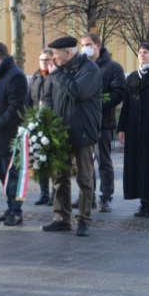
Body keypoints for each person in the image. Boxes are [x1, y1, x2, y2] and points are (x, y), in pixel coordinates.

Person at [42, 36, 102, 237]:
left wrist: (57, 75)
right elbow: (48, 98)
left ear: (68, 53)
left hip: (83, 131)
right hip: (60, 132)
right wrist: (47, 123)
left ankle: (83, 220)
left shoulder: (90, 69)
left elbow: (78, 92)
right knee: (59, 177)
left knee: (85, 179)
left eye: (57, 56)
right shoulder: (58, 71)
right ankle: (61, 217)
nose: (54, 60)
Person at [77, 33, 125, 213]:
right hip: (83, 123)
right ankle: (88, 196)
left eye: (88, 44)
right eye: (82, 44)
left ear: (98, 45)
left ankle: (106, 197)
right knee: (85, 163)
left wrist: (95, 104)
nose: (84, 47)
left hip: (102, 122)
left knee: (103, 161)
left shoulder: (113, 68)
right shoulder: (81, 66)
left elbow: (119, 92)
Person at [118, 42, 149, 218]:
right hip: (134, 129)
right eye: (140, 52)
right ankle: (144, 203)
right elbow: (126, 105)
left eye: (146, 52)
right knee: (140, 165)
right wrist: (121, 127)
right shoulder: (132, 77)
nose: (142, 55)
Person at [0, 42, 28, 226]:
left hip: (8, 134)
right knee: (3, 174)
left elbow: (16, 107)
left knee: (13, 175)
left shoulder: (15, 75)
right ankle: (10, 207)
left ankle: (16, 211)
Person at [29, 49, 56, 206]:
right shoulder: (36, 76)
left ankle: (54, 193)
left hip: (52, 123)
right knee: (40, 160)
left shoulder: (56, 76)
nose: (44, 62)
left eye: (47, 59)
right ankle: (43, 193)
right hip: (36, 123)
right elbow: (30, 99)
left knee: (52, 160)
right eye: (41, 59)